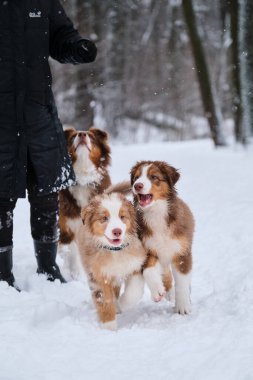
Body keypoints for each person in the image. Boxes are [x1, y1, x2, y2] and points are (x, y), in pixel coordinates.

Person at [0, 0, 97, 288]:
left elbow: (60, 37)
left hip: (38, 112)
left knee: (46, 192)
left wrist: (77, 47)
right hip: (1, 116)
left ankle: (47, 266)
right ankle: (3, 274)